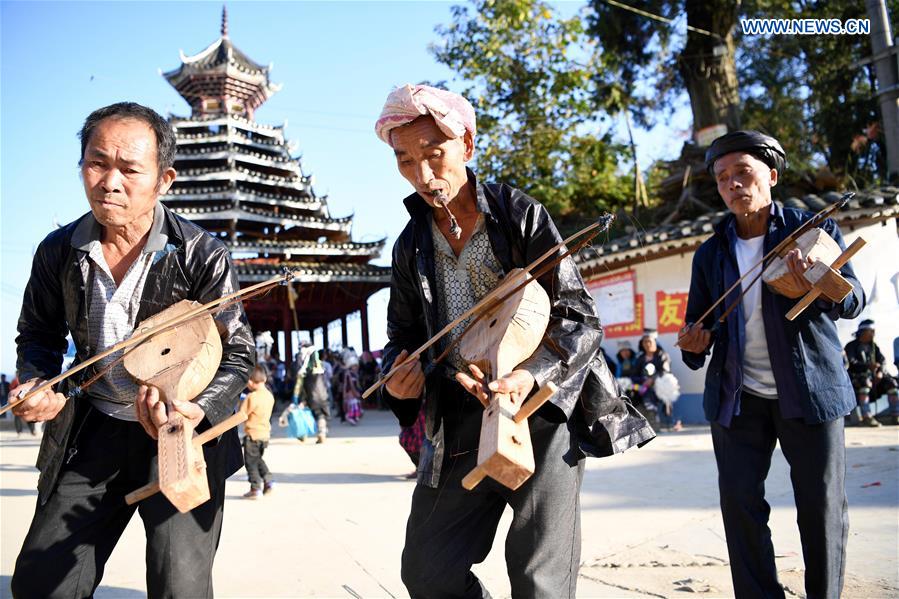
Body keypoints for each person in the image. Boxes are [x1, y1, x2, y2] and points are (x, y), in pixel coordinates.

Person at [374, 83, 653, 598]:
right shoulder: (411, 245)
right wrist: (402, 374)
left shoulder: (519, 214)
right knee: (427, 570)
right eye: (406, 161)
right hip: (459, 414)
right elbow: (403, 337)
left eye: (435, 155)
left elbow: (578, 316)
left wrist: (527, 375)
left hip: (541, 411)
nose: (424, 175)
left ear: (468, 145)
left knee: (538, 576)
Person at [10, 102, 254, 598]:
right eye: (97, 163)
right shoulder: (59, 251)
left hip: (180, 431)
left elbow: (239, 351)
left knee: (178, 587)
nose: (109, 182)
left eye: (130, 169)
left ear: (165, 179)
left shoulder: (200, 252)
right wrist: (37, 379)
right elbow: (38, 334)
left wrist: (196, 407)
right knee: (40, 584)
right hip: (94, 429)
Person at [679, 130, 864, 599]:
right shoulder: (711, 252)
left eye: (744, 173)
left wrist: (822, 281)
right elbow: (695, 335)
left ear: (772, 176)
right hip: (738, 399)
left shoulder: (810, 230)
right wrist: (695, 344)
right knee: (740, 506)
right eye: (723, 179)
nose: (734, 185)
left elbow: (854, 299)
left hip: (810, 391)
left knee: (820, 508)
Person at [844, 319, 899, 426]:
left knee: (892, 383)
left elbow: (882, 360)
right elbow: (850, 363)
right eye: (871, 331)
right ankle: (866, 416)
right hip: (857, 379)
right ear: (863, 332)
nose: (873, 333)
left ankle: (896, 415)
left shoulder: (874, 346)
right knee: (865, 383)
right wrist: (868, 366)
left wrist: (880, 373)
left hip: (875, 379)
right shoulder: (851, 346)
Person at [633, 329, 682, 431]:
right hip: (644, 386)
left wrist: (653, 379)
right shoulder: (640, 358)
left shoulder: (662, 355)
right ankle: (647, 422)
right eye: (644, 342)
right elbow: (634, 375)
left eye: (649, 341)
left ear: (655, 342)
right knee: (636, 391)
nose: (647, 344)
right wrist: (643, 381)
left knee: (664, 391)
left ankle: (669, 421)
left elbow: (665, 371)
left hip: (660, 385)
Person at [239, 366, 276, 498]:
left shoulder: (251, 397)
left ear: (250, 381)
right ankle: (269, 481)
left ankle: (255, 488)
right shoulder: (269, 396)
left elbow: (242, 414)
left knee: (250, 463)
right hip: (265, 435)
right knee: (258, 459)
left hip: (252, 435)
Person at [293, 342, 331, 442]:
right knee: (320, 413)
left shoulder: (302, 366)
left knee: (304, 412)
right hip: (322, 392)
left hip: (307, 393)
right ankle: (321, 432)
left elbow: (298, 379)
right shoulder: (320, 366)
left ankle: (303, 434)